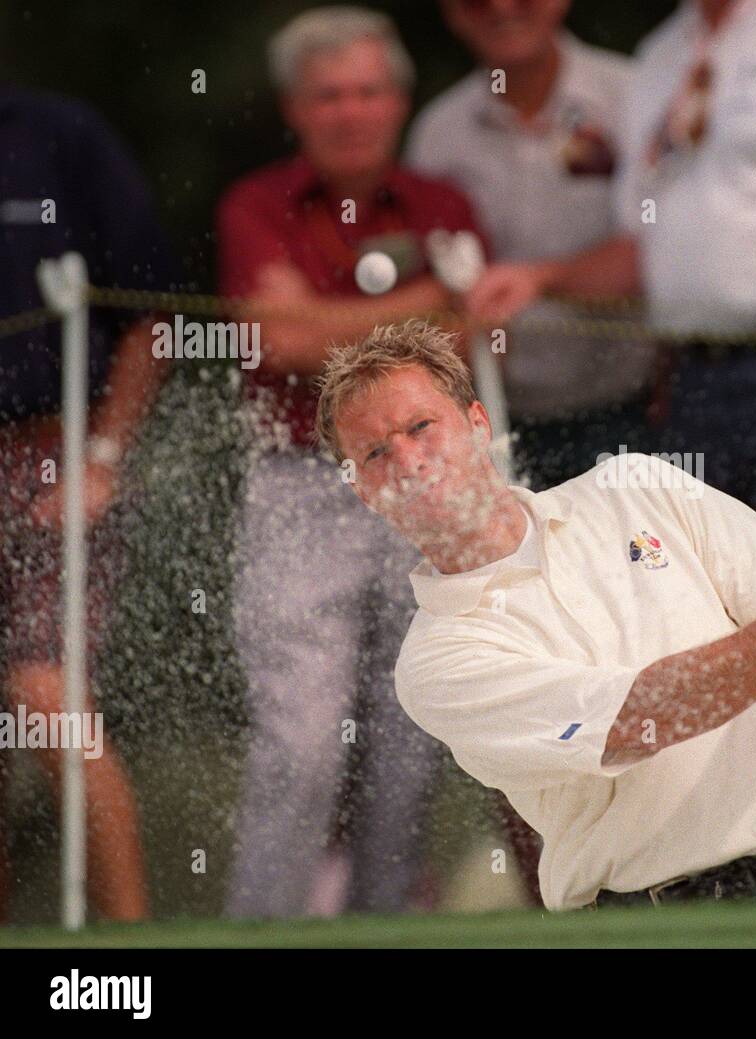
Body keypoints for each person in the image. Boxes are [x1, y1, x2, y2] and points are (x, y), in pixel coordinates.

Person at [460, 0, 756, 859]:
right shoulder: (662, 56)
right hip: (692, 376)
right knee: (698, 613)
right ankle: (736, 854)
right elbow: (648, 252)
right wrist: (543, 276)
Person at [314, 320, 756, 910]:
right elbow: (641, 719)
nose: (408, 461)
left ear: (477, 424)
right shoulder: (435, 664)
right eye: (374, 454)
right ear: (361, 490)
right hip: (638, 921)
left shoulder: (637, 484)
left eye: (422, 427)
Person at [215, 6, 484, 918]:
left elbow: (454, 340)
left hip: (420, 491)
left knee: (411, 742)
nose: (351, 110)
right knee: (301, 743)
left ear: (400, 100)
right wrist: (422, 301)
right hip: (298, 481)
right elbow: (278, 343)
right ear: (294, 108)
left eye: (370, 90)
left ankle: (383, 933)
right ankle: (261, 935)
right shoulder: (253, 204)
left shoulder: (445, 201)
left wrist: (318, 321)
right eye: (329, 94)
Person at [0, 85, 181, 921]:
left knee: (44, 694)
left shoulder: (58, 131)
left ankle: (128, 940)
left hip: (56, 453)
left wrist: (102, 456)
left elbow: (149, 311)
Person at [405, 0, 658, 491]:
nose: (501, 7)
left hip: (635, 407)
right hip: (495, 421)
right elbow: (437, 287)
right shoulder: (438, 134)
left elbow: (663, 252)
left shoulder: (635, 95)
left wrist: (541, 278)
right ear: (453, 13)